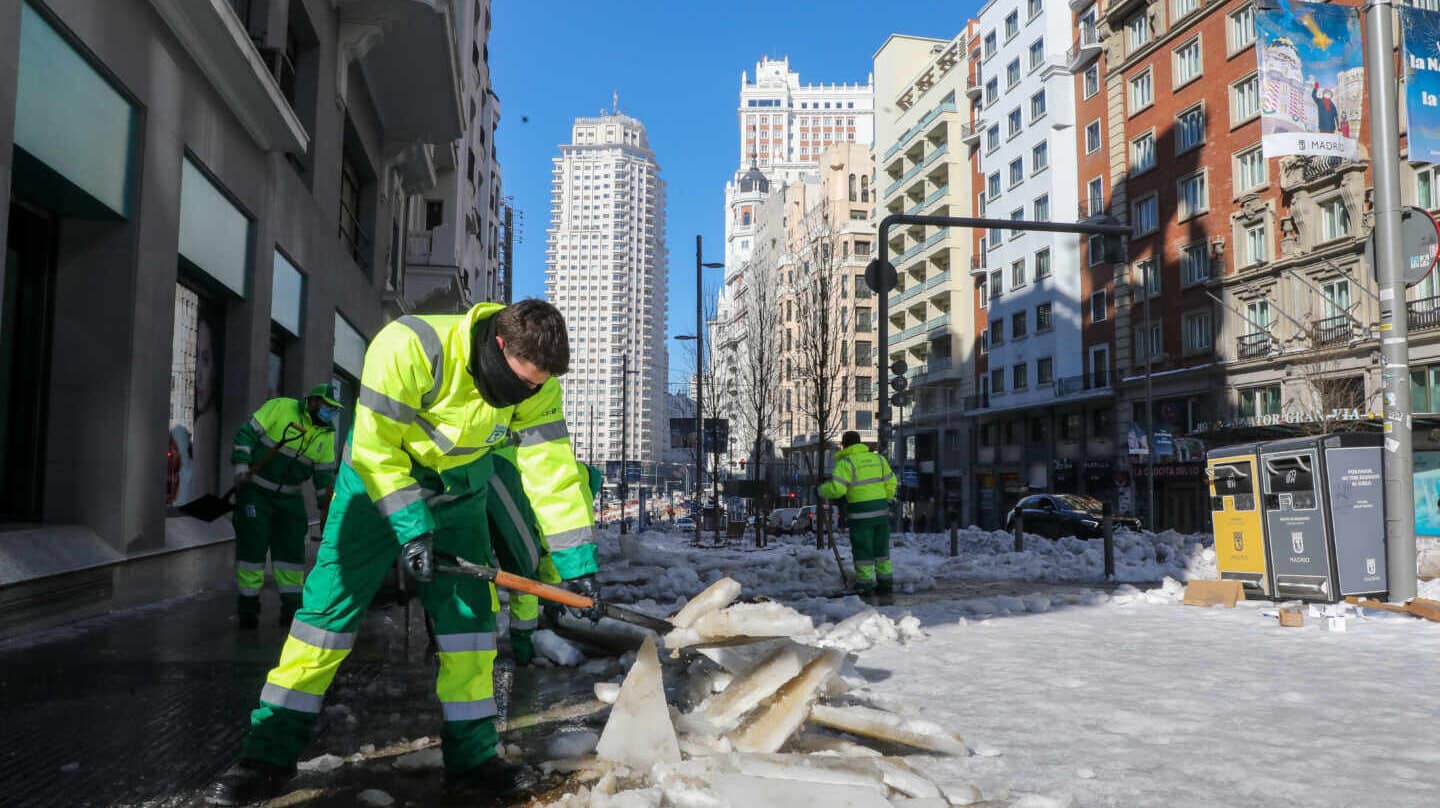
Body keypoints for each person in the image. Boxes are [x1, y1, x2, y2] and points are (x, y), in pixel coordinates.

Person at [206, 300, 598, 805]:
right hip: (374, 488)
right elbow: (375, 448)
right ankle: (266, 755)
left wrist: (577, 563)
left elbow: (552, 472)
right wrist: (412, 529)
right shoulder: (410, 345)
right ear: (497, 348)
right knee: (324, 619)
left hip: (459, 494)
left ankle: (474, 762)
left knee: (470, 632)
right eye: (521, 382)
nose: (529, 393)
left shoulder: (538, 386)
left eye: (538, 385)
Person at [486, 437, 604, 665]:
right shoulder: (579, 492)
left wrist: (554, 598)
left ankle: (489, 640)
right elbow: (555, 547)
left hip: (490, 470)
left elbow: (550, 549)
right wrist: (562, 592)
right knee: (523, 569)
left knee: (495, 560)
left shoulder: (573, 473)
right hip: (501, 473)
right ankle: (524, 643)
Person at [230, 384, 340, 628]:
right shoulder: (280, 407)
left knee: (292, 552)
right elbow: (247, 434)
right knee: (252, 549)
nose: (330, 413)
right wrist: (241, 464)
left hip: (290, 497)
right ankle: (248, 608)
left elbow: (324, 477)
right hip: (256, 490)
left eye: (333, 409)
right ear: (313, 401)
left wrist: (328, 509)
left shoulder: (326, 435)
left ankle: (291, 609)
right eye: (327, 407)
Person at [819, 431, 898, 595]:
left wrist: (821, 490)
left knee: (863, 549)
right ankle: (885, 582)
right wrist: (886, 498)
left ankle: (865, 584)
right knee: (881, 549)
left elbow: (837, 489)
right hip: (881, 511)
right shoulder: (879, 459)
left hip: (860, 513)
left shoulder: (846, 463)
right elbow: (892, 482)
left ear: (844, 445)